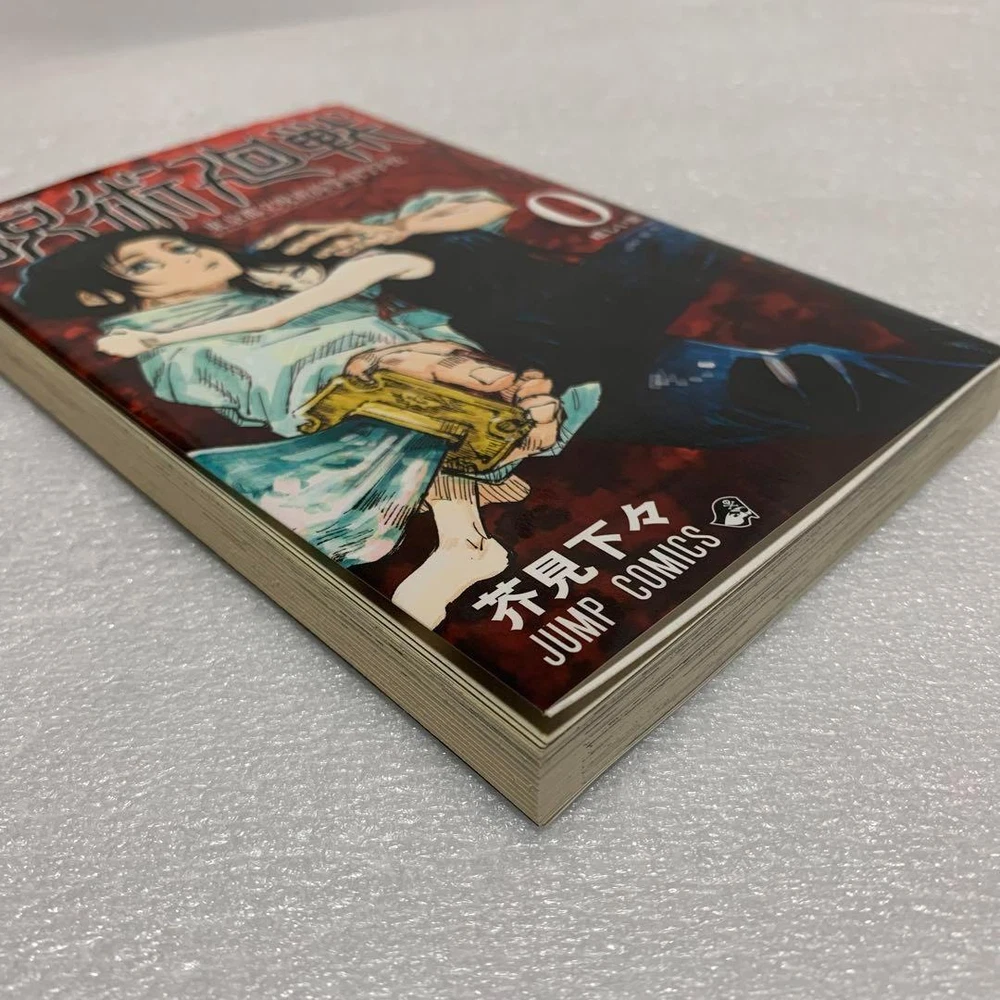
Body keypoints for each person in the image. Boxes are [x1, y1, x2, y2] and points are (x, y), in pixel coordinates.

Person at [14, 196, 600, 629]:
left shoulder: (282, 263)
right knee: (405, 410)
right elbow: (274, 375)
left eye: (177, 244)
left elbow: (488, 207)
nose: (188, 256)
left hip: (504, 327)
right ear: (103, 298)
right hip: (402, 387)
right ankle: (463, 538)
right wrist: (375, 362)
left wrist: (394, 228)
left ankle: (464, 534)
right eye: (146, 266)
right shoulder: (181, 349)